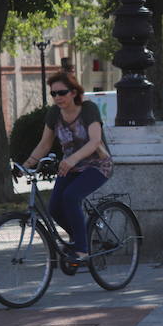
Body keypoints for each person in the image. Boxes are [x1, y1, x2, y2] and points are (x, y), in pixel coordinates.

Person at [23, 71, 112, 265]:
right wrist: (26, 164)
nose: (57, 97)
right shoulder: (54, 113)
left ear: (73, 92)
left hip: (98, 165)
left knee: (71, 196)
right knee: (54, 207)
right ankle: (82, 238)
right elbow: (45, 144)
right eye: (53, 94)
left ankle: (81, 250)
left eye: (61, 93)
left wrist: (72, 159)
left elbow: (95, 141)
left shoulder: (88, 109)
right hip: (70, 167)